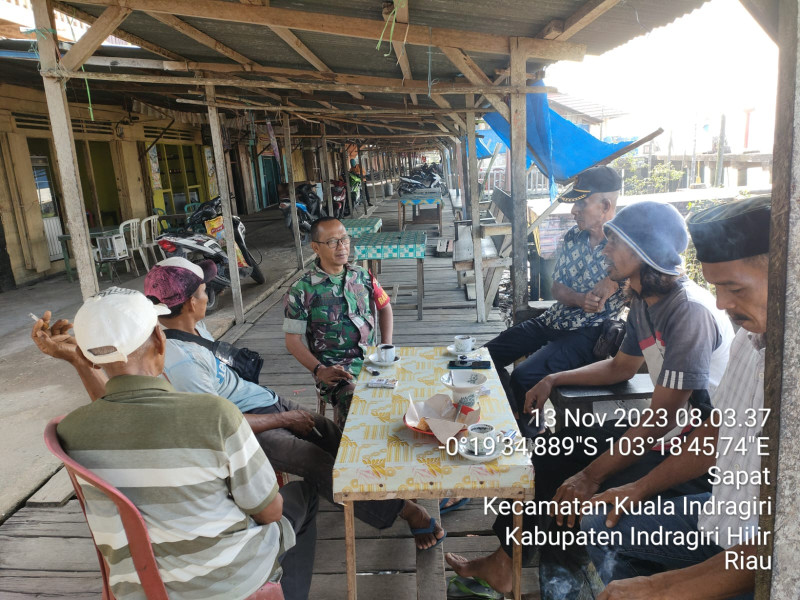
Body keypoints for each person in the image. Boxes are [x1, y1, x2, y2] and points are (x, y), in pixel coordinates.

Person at [33, 256, 444, 550]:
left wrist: (77, 361)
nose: (209, 295)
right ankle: (403, 509)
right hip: (242, 431)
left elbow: (122, 402)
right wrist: (286, 417)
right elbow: (222, 430)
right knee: (315, 461)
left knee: (332, 434)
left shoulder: (177, 339)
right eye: (205, 290)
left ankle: (368, 492)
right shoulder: (182, 365)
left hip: (252, 406)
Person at [445, 200, 734, 596]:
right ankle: (505, 563)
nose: (605, 250)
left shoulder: (688, 312)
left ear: (642, 252)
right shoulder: (644, 301)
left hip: (699, 457)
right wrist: (552, 378)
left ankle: (560, 582)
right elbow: (621, 367)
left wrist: (590, 475)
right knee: (548, 455)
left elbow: (662, 418)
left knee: (574, 488)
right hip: (668, 436)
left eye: (614, 242)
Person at [44, 287, 318, 600]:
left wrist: (78, 362)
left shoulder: (70, 430)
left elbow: (118, 419)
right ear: (160, 340)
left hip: (138, 587)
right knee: (302, 496)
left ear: (89, 358)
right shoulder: (215, 415)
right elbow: (269, 512)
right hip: (227, 582)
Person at [581, 195, 771, 600]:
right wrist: (640, 488)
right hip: (723, 512)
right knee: (600, 520)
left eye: (735, 288)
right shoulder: (751, 340)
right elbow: (717, 431)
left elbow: (779, 548)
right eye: (716, 287)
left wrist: (660, 588)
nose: (721, 303)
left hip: (763, 552)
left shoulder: (691, 312)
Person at [485, 166, 626, 437]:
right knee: (484, 357)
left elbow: (663, 271)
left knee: (524, 376)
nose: (574, 211)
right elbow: (557, 288)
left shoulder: (628, 243)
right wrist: (579, 299)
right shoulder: (573, 236)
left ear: (605, 206)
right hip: (553, 319)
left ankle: (539, 443)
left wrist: (616, 280)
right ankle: (518, 421)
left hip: (589, 334)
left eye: (582, 204)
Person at [284, 217, 392, 429]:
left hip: (373, 362)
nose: (342, 246)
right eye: (332, 241)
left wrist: (386, 345)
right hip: (336, 372)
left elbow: (385, 306)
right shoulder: (301, 289)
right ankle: (343, 448)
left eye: (345, 239)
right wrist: (320, 370)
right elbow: (292, 341)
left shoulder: (363, 276)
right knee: (352, 403)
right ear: (316, 248)